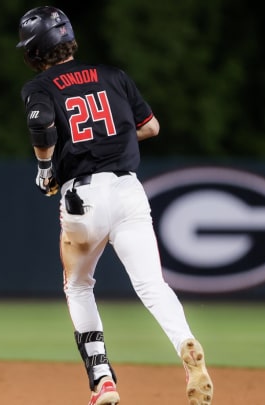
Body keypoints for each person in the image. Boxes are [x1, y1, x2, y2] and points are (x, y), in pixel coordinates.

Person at [16, 6, 213, 405]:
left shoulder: (40, 86)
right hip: (128, 191)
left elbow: (41, 125)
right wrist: (113, 139)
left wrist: (43, 168)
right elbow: (151, 127)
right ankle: (186, 343)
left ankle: (102, 379)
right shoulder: (114, 77)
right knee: (152, 284)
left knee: (78, 285)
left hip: (82, 198)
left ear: (34, 51)